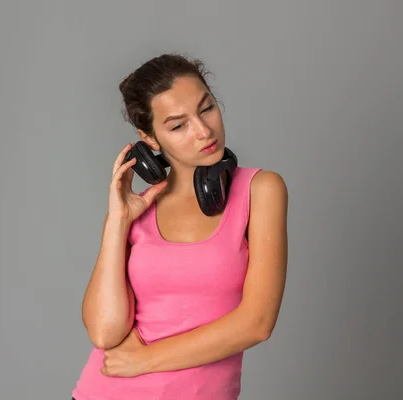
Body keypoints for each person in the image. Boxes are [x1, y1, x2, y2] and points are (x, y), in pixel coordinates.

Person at [71, 53, 288, 400]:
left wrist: (145, 360)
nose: (203, 131)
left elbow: (257, 323)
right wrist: (117, 223)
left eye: (207, 108)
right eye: (177, 125)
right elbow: (104, 332)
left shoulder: (261, 190)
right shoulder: (136, 210)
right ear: (150, 140)